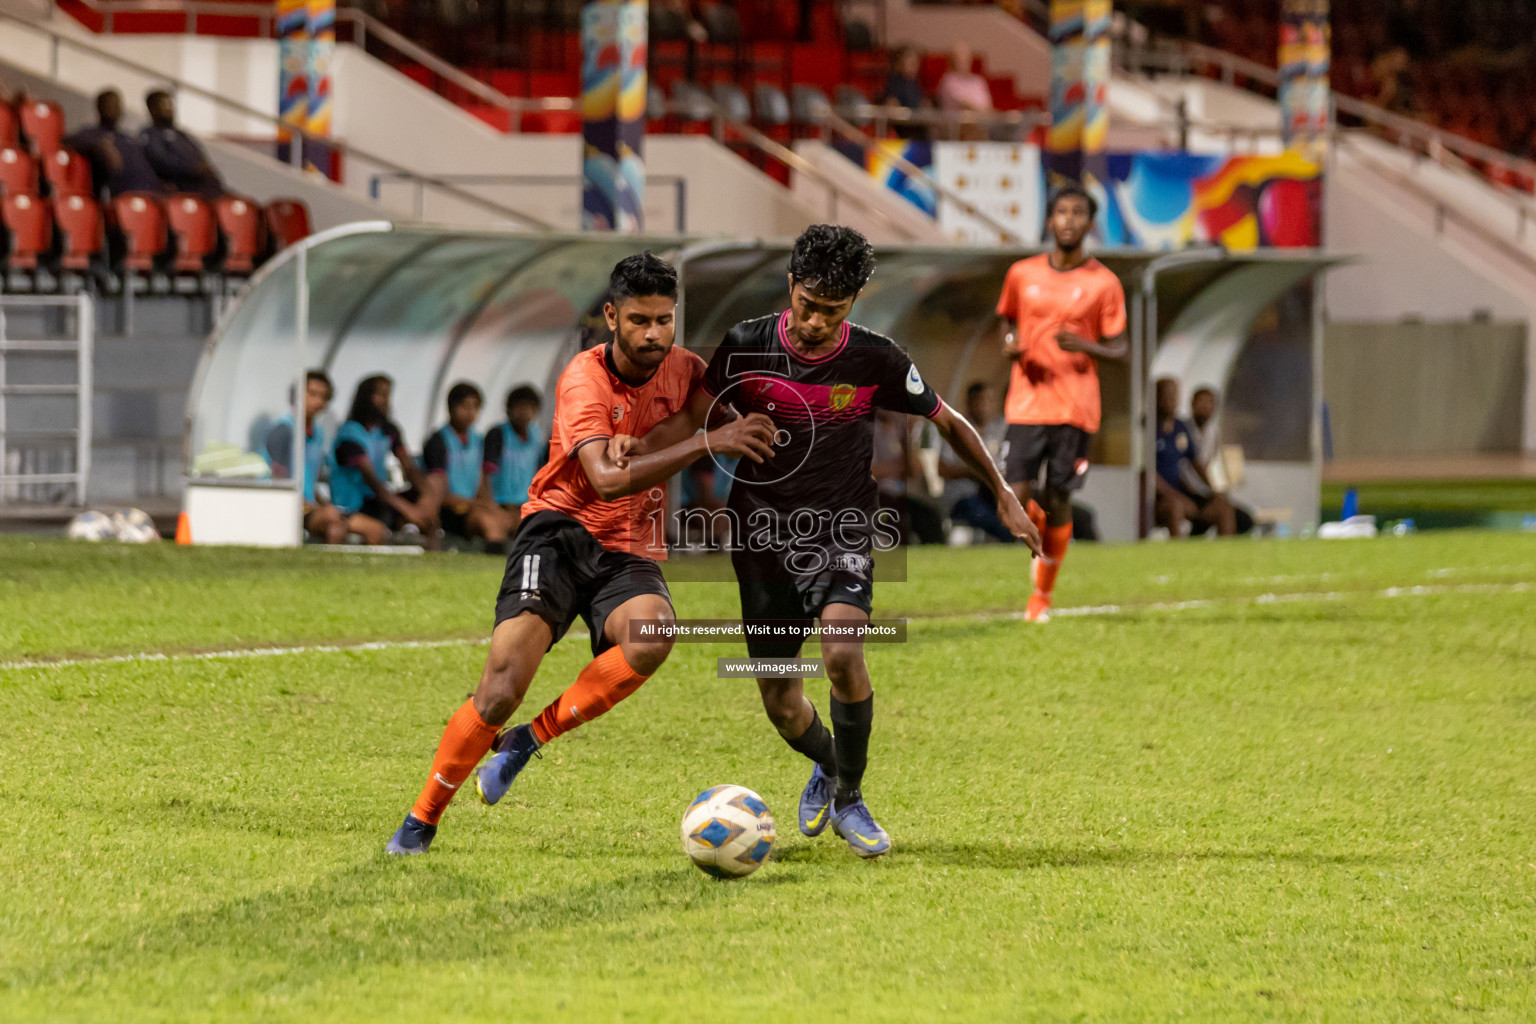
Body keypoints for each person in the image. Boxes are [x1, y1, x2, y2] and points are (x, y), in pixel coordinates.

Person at [610, 226, 1041, 860]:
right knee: (783, 702)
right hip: (759, 535)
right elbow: (691, 418)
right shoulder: (746, 345)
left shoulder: (877, 359)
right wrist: (639, 445)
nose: (814, 321)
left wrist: (1003, 492)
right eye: (807, 303)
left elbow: (948, 421)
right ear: (791, 286)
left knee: (842, 651)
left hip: (841, 527)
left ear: (854, 302)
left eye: (831, 310)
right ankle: (829, 765)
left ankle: (849, 798)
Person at [385, 253, 776, 855]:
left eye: (665, 321)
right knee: (499, 688)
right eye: (641, 320)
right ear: (612, 316)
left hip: (629, 544)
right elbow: (606, 479)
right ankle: (422, 818)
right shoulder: (583, 377)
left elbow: (714, 416)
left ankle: (526, 742)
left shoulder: (687, 370)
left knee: (651, 637)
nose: (654, 335)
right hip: (559, 531)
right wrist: (707, 440)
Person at [994, 183, 1128, 623]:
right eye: (1061, 212)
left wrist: (1089, 345)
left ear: (1090, 224)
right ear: (1050, 220)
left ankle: (1042, 597)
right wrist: (1011, 345)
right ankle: (1042, 532)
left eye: (1078, 213)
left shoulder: (1103, 283)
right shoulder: (1021, 273)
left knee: (1060, 496)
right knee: (1015, 495)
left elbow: (1121, 345)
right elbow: (1007, 323)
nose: (1069, 220)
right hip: (1027, 401)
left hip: (1075, 405)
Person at [330, 375, 437, 546]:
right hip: (352, 505)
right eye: (379, 395)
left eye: (387, 395)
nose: (385, 401)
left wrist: (427, 498)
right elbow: (372, 481)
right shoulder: (349, 435)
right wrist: (408, 510)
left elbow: (409, 467)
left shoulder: (388, 430)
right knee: (385, 524)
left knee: (427, 509)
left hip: (377, 501)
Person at [423, 382, 513, 553]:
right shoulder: (437, 441)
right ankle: (493, 571)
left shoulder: (478, 440)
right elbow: (436, 491)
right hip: (447, 511)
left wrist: (488, 505)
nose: (470, 413)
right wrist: (476, 505)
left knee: (504, 519)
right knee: (488, 522)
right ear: (451, 407)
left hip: (470, 506)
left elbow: (481, 483)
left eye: (475, 407)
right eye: (465, 406)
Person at [264, 369, 347, 544]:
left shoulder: (318, 433)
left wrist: (323, 503)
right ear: (297, 394)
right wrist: (311, 506)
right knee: (334, 523)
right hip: (288, 506)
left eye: (324, 396)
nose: (318, 401)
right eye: (312, 394)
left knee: (374, 529)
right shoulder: (284, 431)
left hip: (311, 506)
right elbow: (278, 481)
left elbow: (310, 481)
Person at [1154, 378, 1237, 538]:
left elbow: (1196, 463)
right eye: (1166, 395)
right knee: (1175, 506)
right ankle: (1179, 556)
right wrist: (1172, 494)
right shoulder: (1149, 428)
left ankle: (1226, 555)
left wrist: (1214, 489)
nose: (1171, 400)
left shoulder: (1180, 428)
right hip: (1162, 497)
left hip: (1185, 493)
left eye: (1174, 396)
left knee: (1224, 508)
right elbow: (1147, 473)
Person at [940, 381, 1014, 543]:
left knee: (1017, 512)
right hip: (964, 496)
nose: (986, 406)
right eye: (981, 400)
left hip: (995, 495)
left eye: (990, 400)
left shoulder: (1002, 429)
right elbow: (942, 469)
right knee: (1000, 524)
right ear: (969, 403)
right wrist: (974, 473)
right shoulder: (957, 428)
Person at [63, 89, 164, 199]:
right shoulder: (92, 134)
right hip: (122, 195)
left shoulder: (127, 137)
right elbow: (68, 141)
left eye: (118, 104)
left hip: (150, 192)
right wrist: (100, 145)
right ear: (100, 108)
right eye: (111, 104)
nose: (116, 108)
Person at [482, 385, 546, 526]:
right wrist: (491, 505)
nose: (524, 412)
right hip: (500, 504)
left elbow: (539, 473)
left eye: (530, 407)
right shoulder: (497, 434)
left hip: (524, 505)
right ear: (509, 409)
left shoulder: (536, 436)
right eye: (520, 407)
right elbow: (486, 473)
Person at [141, 90, 223, 198]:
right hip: (182, 188)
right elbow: (162, 162)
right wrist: (192, 169)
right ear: (153, 109)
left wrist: (205, 168)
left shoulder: (182, 135)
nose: (170, 109)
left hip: (205, 187)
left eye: (171, 104)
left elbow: (199, 154)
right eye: (165, 105)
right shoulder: (149, 135)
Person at [936, 42, 992, 139]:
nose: (963, 61)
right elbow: (965, 105)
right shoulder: (948, 81)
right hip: (956, 129)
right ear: (952, 61)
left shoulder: (978, 81)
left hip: (981, 124)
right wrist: (983, 113)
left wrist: (985, 113)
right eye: (959, 59)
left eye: (966, 58)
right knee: (969, 119)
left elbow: (988, 105)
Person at [877, 46, 929, 139]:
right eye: (910, 61)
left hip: (918, 134)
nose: (913, 65)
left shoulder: (915, 84)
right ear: (901, 63)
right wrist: (906, 114)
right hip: (904, 134)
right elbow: (891, 105)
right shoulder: (896, 83)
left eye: (915, 62)